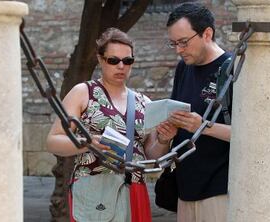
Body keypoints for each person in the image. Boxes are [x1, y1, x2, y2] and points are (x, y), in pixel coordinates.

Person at [46, 27, 176, 222]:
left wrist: (164, 140)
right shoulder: (83, 92)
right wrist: (87, 142)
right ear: (100, 59)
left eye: (128, 61)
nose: (121, 66)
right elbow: (53, 141)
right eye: (113, 60)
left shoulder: (143, 102)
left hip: (134, 188)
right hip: (93, 187)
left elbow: (150, 154)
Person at [151, 2, 232, 222]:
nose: (178, 50)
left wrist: (202, 126)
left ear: (207, 33)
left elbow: (250, 134)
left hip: (221, 190)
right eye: (173, 44)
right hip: (185, 189)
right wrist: (166, 133)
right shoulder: (183, 68)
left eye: (183, 42)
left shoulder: (232, 69)